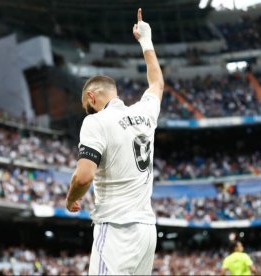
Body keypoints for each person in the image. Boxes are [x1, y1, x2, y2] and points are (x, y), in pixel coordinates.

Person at [65, 8, 164, 275]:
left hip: (117, 229)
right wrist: (146, 41)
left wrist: (70, 199)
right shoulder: (144, 113)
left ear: (92, 96)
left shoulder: (96, 122)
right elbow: (156, 83)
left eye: (88, 106)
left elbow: (83, 177)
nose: (88, 111)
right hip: (146, 231)